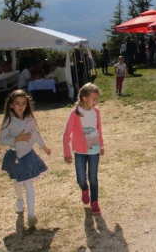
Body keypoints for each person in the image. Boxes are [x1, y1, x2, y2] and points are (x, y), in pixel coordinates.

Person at [0, 90, 51, 227]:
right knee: (18, 181)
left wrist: (43, 147)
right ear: (11, 105)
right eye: (17, 103)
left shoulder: (30, 119)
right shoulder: (8, 120)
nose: (20, 106)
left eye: (23, 103)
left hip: (28, 155)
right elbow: (2, 140)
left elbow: (36, 133)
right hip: (15, 155)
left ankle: (31, 214)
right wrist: (17, 139)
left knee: (28, 183)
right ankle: (19, 199)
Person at [63, 83, 105, 215]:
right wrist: (67, 152)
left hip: (94, 151)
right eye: (94, 99)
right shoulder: (75, 113)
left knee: (93, 177)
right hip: (80, 152)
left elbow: (99, 130)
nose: (96, 102)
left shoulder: (96, 112)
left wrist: (101, 145)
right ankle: (84, 189)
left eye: (97, 99)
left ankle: (94, 202)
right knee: (81, 178)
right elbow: (66, 134)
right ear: (85, 98)